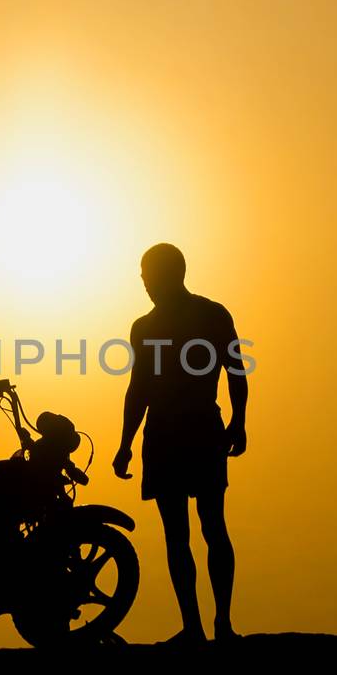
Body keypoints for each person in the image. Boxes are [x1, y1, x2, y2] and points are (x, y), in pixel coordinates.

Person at [112, 244, 248, 644]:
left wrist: (239, 422)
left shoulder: (211, 314)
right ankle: (195, 626)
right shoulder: (147, 326)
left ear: (171, 274)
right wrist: (125, 443)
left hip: (198, 429)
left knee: (211, 527)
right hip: (168, 433)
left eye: (148, 275)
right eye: (143, 276)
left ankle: (221, 624)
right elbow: (139, 388)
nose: (145, 283)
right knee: (180, 535)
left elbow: (235, 371)